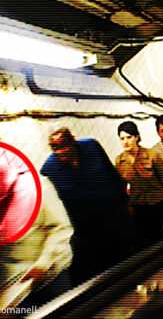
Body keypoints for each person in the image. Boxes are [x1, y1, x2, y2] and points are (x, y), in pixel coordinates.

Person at [40, 127, 136, 285]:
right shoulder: (49, 170)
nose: (60, 152)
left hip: (118, 217)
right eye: (55, 148)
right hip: (91, 232)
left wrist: (126, 202)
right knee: (108, 269)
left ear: (73, 140)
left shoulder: (91, 146)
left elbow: (112, 173)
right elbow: (58, 208)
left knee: (132, 255)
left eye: (64, 146)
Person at [0, 173, 73, 310]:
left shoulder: (37, 186)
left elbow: (61, 228)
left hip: (50, 278)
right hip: (13, 290)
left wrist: (42, 265)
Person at [115, 121, 163, 247]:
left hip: (159, 204)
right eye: (122, 138)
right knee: (148, 242)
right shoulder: (120, 161)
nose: (125, 142)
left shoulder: (152, 155)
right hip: (139, 208)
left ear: (137, 137)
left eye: (129, 137)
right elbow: (122, 187)